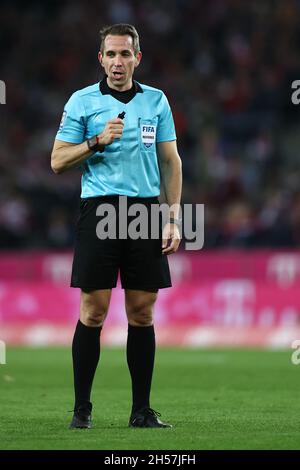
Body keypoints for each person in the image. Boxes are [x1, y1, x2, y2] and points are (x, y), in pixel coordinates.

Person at [51, 23, 182, 429]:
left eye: (125, 54)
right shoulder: (82, 102)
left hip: (144, 210)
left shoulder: (156, 101)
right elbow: (57, 161)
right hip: (100, 208)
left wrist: (173, 218)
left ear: (137, 58)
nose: (118, 62)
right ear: (101, 59)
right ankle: (81, 410)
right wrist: (95, 142)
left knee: (142, 312)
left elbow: (171, 162)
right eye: (111, 54)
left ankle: (141, 411)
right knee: (93, 310)